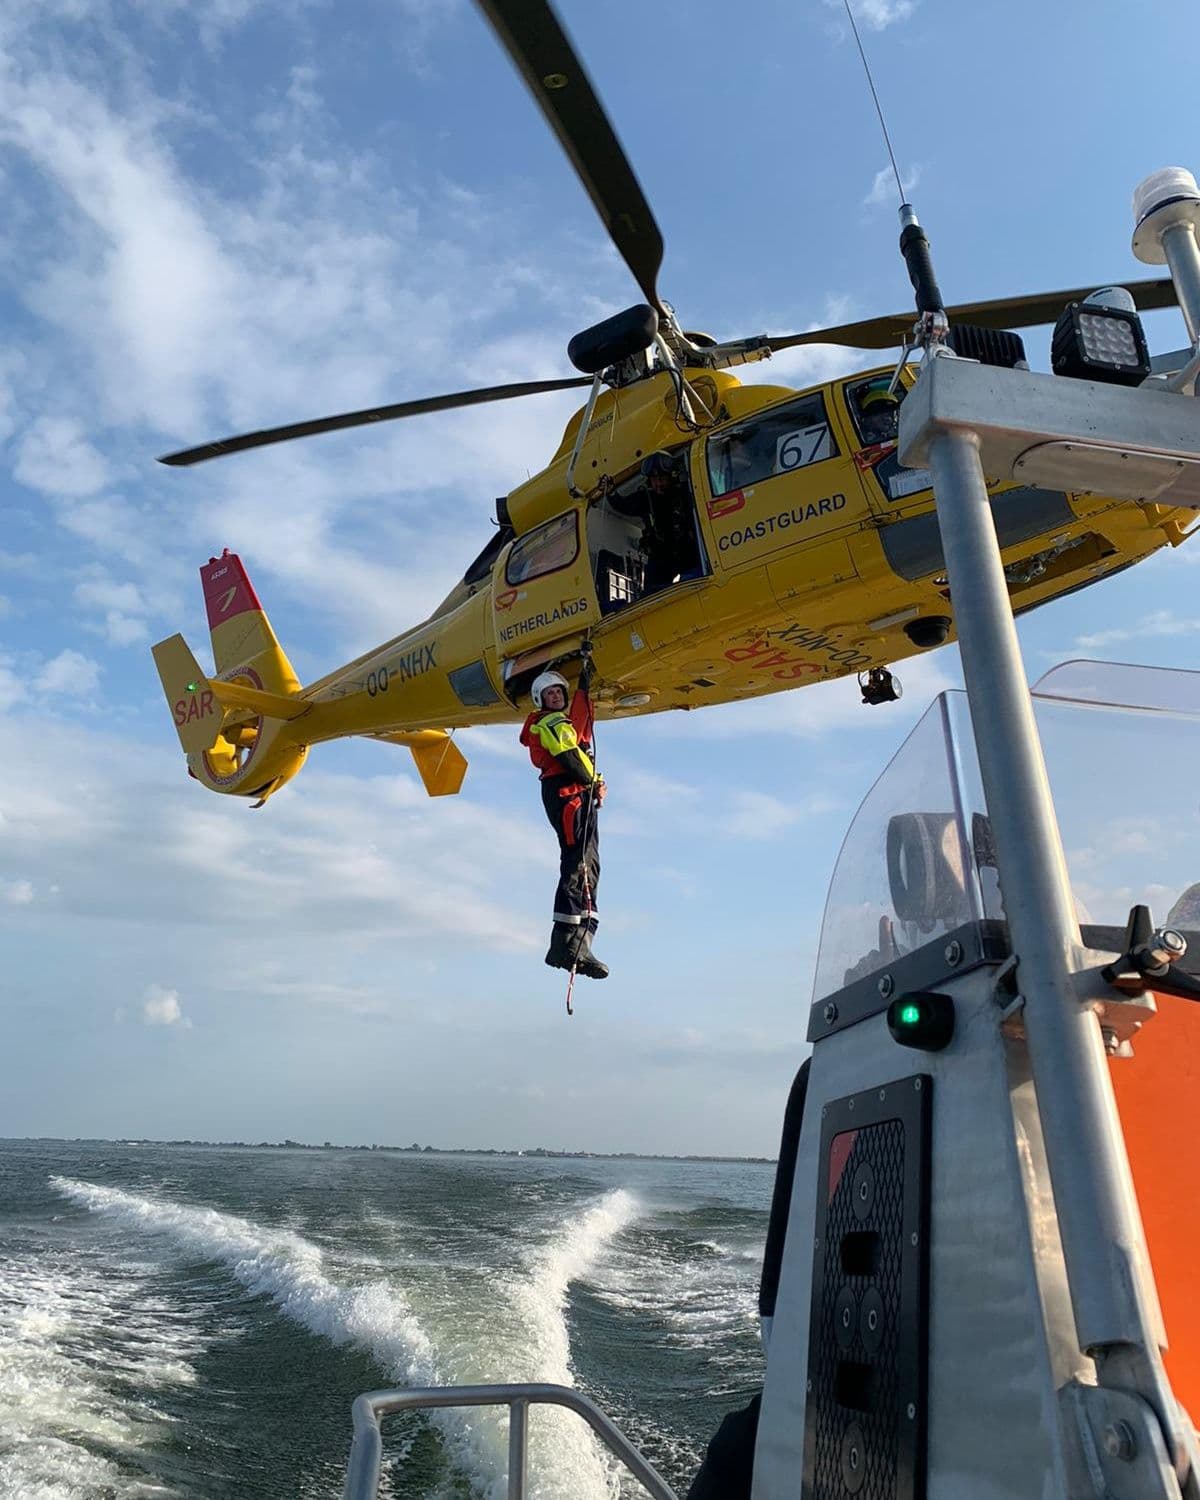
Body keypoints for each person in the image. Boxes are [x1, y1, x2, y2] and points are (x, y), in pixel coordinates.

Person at [520, 663, 608, 979]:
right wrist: (592, 781)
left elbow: (580, 728)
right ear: (540, 699)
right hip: (569, 793)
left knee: (586, 863)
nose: (556, 696)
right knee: (580, 864)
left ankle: (572, 943)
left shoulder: (562, 721)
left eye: (559, 691)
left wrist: (584, 681)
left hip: (573, 792)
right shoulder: (552, 723)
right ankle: (571, 945)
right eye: (550, 693)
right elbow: (570, 755)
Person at [639, 450, 704, 591]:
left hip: (688, 551)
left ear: (671, 477)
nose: (658, 483)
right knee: (651, 592)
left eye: (662, 478)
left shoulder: (686, 493)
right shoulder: (646, 499)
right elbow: (623, 504)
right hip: (662, 556)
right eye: (654, 480)